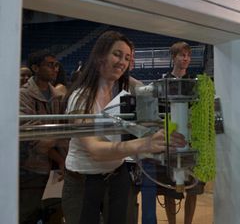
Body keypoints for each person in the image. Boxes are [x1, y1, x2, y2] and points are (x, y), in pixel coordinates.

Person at [61, 31, 187, 224]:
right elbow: (95, 150)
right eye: (117, 54)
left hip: (117, 177)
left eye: (127, 57)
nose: (122, 62)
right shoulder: (81, 97)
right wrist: (143, 144)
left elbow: (152, 98)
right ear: (100, 55)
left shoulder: (124, 89)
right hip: (84, 182)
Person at [19, 51, 67, 224]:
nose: (55, 69)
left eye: (56, 65)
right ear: (35, 68)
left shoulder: (58, 96)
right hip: (29, 167)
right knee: (27, 214)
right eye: (50, 65)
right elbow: (36, 138)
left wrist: (62, 158)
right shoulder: (22, 95)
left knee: (54, 213)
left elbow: (62, 133)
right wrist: (58, 142)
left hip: (55, 168)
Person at [163, 41, 205, 224]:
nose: (186, 59)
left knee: (193, 189)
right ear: (174, 57)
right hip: (171, 141)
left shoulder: (194, 82)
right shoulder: (163, 81)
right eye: (182, 55)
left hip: (192, 141)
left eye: (188, 55)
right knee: (170, 189)